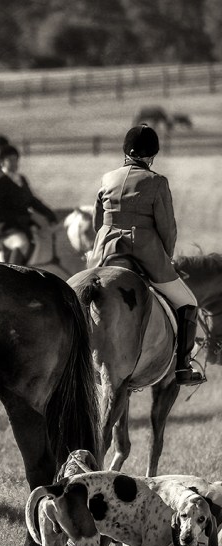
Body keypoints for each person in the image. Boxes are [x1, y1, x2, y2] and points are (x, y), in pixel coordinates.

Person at [87, 124, 206, 386]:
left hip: (104, 252)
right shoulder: (157, 182)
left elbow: (97, 222)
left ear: (125, 152)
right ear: (152, 155)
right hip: (144, 252)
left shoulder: (107, 178)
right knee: (188, 303)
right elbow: (167, 229)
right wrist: (167, 257)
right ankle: (183, 368)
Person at [0, 145, 57, 266]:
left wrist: (49, 215)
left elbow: (31, 200)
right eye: (10, 160)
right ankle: (11, 273)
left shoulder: (21, 179)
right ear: (2, 162)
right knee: (22, 243)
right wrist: (24, 218)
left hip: (20, 224)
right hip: (3, 225)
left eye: (16, 159)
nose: (14, 163)